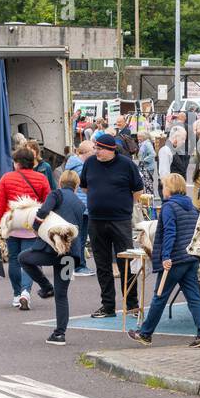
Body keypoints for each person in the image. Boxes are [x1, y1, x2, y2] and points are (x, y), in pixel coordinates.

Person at [127, 173, 200, 347]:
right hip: (191, 257)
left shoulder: (169, 207)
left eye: (164, 186)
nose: (162, 189)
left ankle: (146, 333)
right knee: (193, 296)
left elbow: (169, 233)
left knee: (160, 296)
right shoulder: (192, 207)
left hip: (175, 259)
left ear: (170, 189)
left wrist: (165, 257)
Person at [81, 131, 146, 319]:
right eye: (95, 148)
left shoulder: (126, 165)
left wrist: (123, 205)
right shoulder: (90, 163)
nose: (96, 151)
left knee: (126, 261)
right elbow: (85, 186)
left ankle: (132, 304)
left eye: (99, 148)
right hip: (96, 220)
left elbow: (138, 190)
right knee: (102, 264)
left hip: (120, 220)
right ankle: (107, 305)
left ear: (110, 150)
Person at [19, 170, 86, 345]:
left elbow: (43, 211)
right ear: (76, 185)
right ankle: (59, 334)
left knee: (23, 258)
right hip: (70, 255)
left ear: (60, 182)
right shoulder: (80, 204)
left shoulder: (56, 194)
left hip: (50, 251)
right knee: (62, 295)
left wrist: (35, 227)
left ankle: (46, 287)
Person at [0, 147, 51, 310]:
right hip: (32, 226)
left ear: (16, 163)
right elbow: (48, 204)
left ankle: (16, 295)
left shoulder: (6, 179)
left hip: (13, 226)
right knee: (29, 260)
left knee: (15, 260)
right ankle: (25, 292)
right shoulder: (41, 178)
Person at [64, 140, 95, 275]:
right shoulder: (82, 167)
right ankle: (79, 266)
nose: (95, 152)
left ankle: (72, 266)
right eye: (93, 150)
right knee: (80, 237)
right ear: (86, 152)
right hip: (83, 207)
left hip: (73, 206)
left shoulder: (71, 164)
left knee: (75, 237)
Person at [136, 128, 158, 200]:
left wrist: (143, 161)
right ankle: (148, 199)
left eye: (139, 136)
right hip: (145, 167)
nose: (138, 138)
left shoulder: (147, 144)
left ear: (144, 137)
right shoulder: (144, 143)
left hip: (147, 167)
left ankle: (149, 200)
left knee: (147, 184)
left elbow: (153, 154)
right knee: (146, 184)